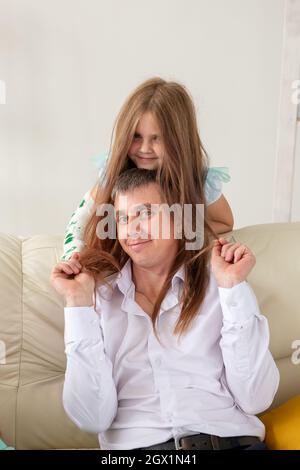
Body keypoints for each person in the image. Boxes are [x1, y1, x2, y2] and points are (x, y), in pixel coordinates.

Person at [51, 168, 279, 451]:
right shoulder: (97, 298)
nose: (131, 229)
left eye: (145, 213)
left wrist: (232, 288)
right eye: (122, 218)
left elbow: (257, 398)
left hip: (232, 443)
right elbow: (91, 418)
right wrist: (77, 305)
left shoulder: (219, 282)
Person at [61, 77, 233, 262]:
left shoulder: (198, 179)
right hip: (121, 261)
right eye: (136, 137)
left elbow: (224, 222)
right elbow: (80, 220)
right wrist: (72, 256)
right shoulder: (114, 168)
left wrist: (174, 230)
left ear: (179, 141)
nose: (144, 148)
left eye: (156, 138)